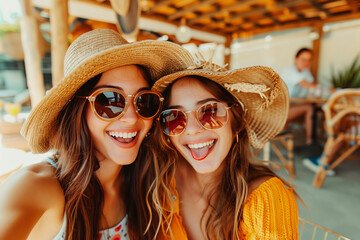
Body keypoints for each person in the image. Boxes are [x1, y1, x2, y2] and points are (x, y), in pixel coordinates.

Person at [0, 29, 193, 240]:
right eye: (109, 101)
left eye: (144, 101)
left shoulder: (149, 184)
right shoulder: (36, 186)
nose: (131, 117)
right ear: (78, 110)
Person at [148, 62, 300, 239]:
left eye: (209, 111)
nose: (192, 129)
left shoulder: (265, 199)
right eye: (175, 118)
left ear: (235, 120)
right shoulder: (160, 182)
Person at [281, 48, 316, 145]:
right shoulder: (289, 70)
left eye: (309, 60)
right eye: (303, 59)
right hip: (279, 111)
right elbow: (309, 86)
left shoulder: (305, 72)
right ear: (296, 59)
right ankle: (310, 142)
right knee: (310, 108)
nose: (306, 62)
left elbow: (313, 86)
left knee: (314, 109)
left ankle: (316, 140)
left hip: (291, 106)